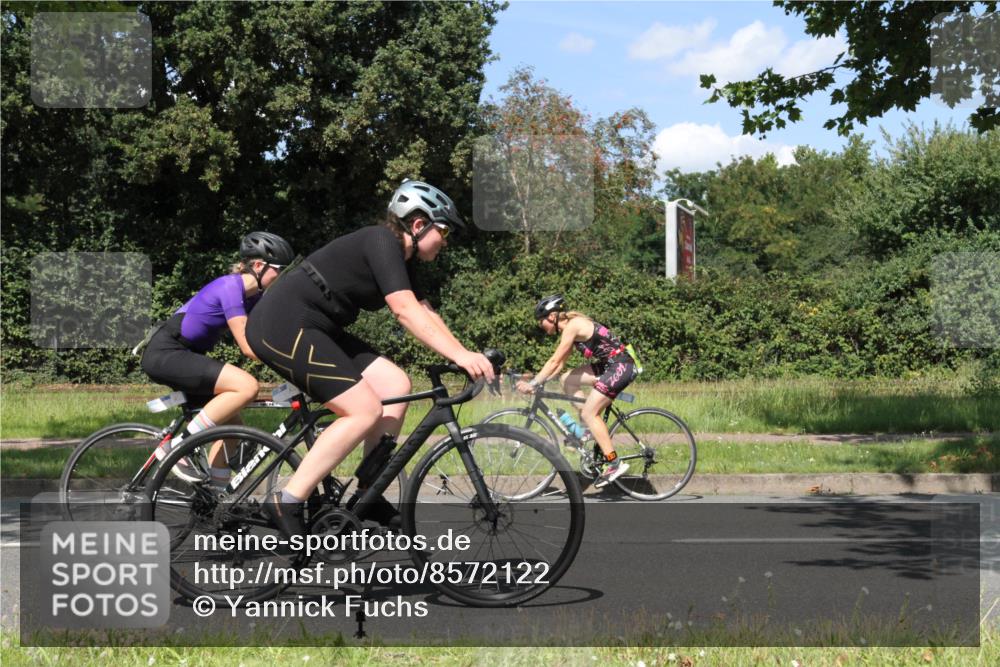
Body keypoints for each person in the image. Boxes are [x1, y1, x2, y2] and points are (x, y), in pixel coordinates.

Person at [246, 179, 494, 536]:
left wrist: (463, 354)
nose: (447, 241)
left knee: (396, 384)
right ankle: (286, 500)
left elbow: (425, 311)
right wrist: (460, 355)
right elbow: (405, 311)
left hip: (318, 328)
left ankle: (369, 492)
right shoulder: (381, 241)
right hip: (282, 323)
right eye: (445, 231)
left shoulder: (403, 259)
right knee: (363, 410)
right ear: (419, 224)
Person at [141, 232, 295, 483]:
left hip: (184, 354)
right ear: (258, 266)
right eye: (280, 270)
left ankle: (217, 501)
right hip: (167, 352)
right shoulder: (230, 287)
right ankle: (178, 448)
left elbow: (269, 337)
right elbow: (248, 346)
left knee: (230, 432)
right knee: (247, 386)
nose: (283, 276)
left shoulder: (254, 297)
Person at [516, 295, 640, 488]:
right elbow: (559, 367)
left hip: (621, 366)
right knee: (567, 379)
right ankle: (587, 431)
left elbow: (554, 361)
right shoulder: (571, 329)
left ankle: (614, 463)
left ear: (552, 317)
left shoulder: (574, 326)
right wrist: (542, 382)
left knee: (591, 413)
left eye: (541, 323)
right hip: (609, 366)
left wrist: (533, 382)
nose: (541, 327)